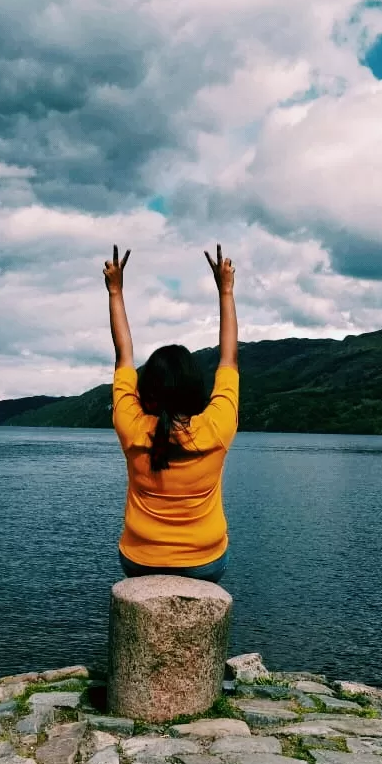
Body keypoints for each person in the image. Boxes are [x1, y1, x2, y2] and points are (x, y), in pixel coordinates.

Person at [104, 242, 238, 584]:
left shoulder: (130, 426)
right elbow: (228, 359)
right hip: (204, 562)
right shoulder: (218, 426)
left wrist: (115, 291)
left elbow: (123, 357)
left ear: (146, 395)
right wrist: (226, 290)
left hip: (139, 560)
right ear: (198, 393)